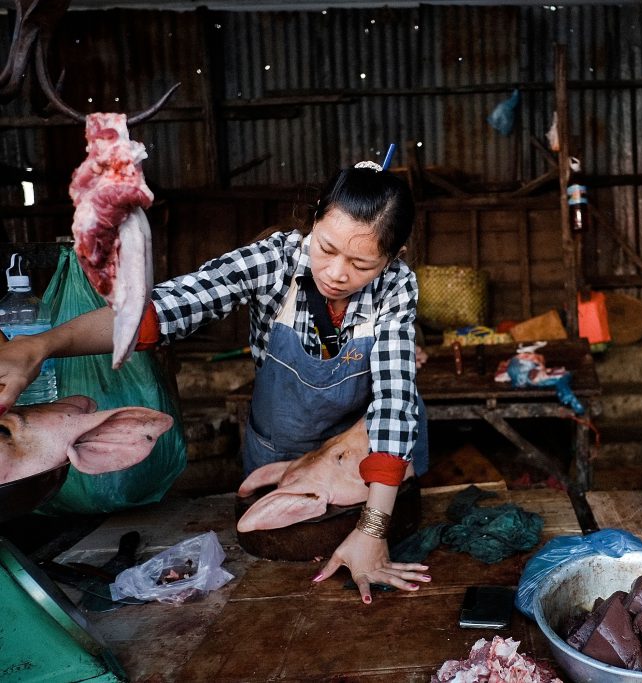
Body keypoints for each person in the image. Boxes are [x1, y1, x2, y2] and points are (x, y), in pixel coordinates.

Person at [0, 160, 431, 603]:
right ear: (315, 218)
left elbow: (395, 401)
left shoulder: (396, 287)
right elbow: (167, 310)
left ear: (392, 257)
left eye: (361, 263)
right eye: (326, 247)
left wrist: (373, 529)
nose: (337, 273)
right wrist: (42, 346)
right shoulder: (274, 259)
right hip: (278, 449)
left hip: (362, 459)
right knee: (275, 585)